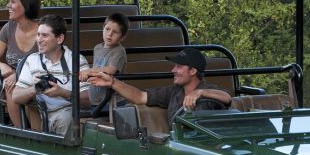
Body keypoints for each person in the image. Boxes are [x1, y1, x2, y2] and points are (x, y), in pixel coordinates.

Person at [88, 48, 232, 123]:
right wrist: (112, 82)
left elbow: (226, 98)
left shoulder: (209, 90)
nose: (173, 70)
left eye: (179, 66)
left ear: (193, 71)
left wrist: (200, 93)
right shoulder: (174, 91)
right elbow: (140, 97)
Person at [12, 14, 90, 136]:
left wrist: (62, 93)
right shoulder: (32, 60)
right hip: (41, 114)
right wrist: (36, 88)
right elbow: (16, 97)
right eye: (38, 35)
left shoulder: (76, 60)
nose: (38, 40)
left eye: (44, 35)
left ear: (59, 39)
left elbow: (88, 100)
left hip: (69, 112)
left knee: (67, 117)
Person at [0, 0, 40, 127]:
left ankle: (38, 131)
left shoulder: (42, 32)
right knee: (12, 86)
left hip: (36, 76)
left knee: (19, 84)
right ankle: (20, 130)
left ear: (26, 5)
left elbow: (45, 62)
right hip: (11, 81)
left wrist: (20, 74)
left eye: (13, 2)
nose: (8, 6)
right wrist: (2, 65)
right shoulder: (8, 28)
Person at [79, 13, 129, 107]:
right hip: (96, 97)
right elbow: (97, 66)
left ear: (122, 37)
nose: (109, 34)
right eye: (107, 29)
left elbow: (111, 69)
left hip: (112, 100)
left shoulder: (119, 51)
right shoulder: (97, 48)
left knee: (112, 121)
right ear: (103, 28)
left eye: (115, 32)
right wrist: (86, 75)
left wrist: (89, 71)